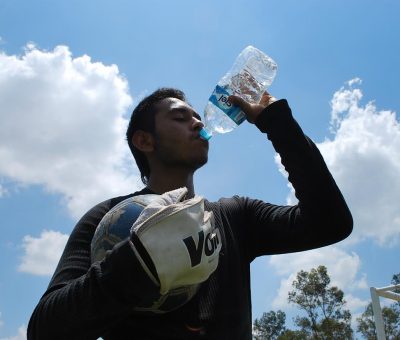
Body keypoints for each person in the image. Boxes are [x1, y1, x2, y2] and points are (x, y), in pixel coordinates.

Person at [27, 88, 353, 339]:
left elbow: (330, 222)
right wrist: (136, 264)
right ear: (144, 140)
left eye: (197, 117)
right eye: (180, 118)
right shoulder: (109, 219)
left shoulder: (235, 215)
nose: (197, 122)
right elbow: (44, 329)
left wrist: (278, 124)